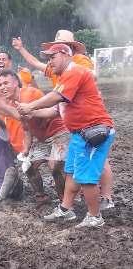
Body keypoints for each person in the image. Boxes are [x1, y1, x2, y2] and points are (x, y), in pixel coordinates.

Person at [13, 30, 114, 208]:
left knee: (93, 165)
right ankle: (67, 206)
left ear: (68, 51)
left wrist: (31, 107)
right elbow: (37, 66)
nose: (50, 59)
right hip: (70, 116)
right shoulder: (58, 69)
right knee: (73, 168)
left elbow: (79, 82)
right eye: (50, 55)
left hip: (89, 121)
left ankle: (103, 201)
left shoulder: (77, 64)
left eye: (54, 53)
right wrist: (21, 49)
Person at [0, 69, 69, 202]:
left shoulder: (30, 93)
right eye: (0, 85)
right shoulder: (11, 103)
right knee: (27, 166)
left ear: (16, 82)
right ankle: (41, 196)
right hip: (41, 139)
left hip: (59, 133)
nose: (3, 87)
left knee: (54, 165)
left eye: (6, 83)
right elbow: (27, 128)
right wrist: (26, 148)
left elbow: (24, 116)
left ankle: (65, 200)